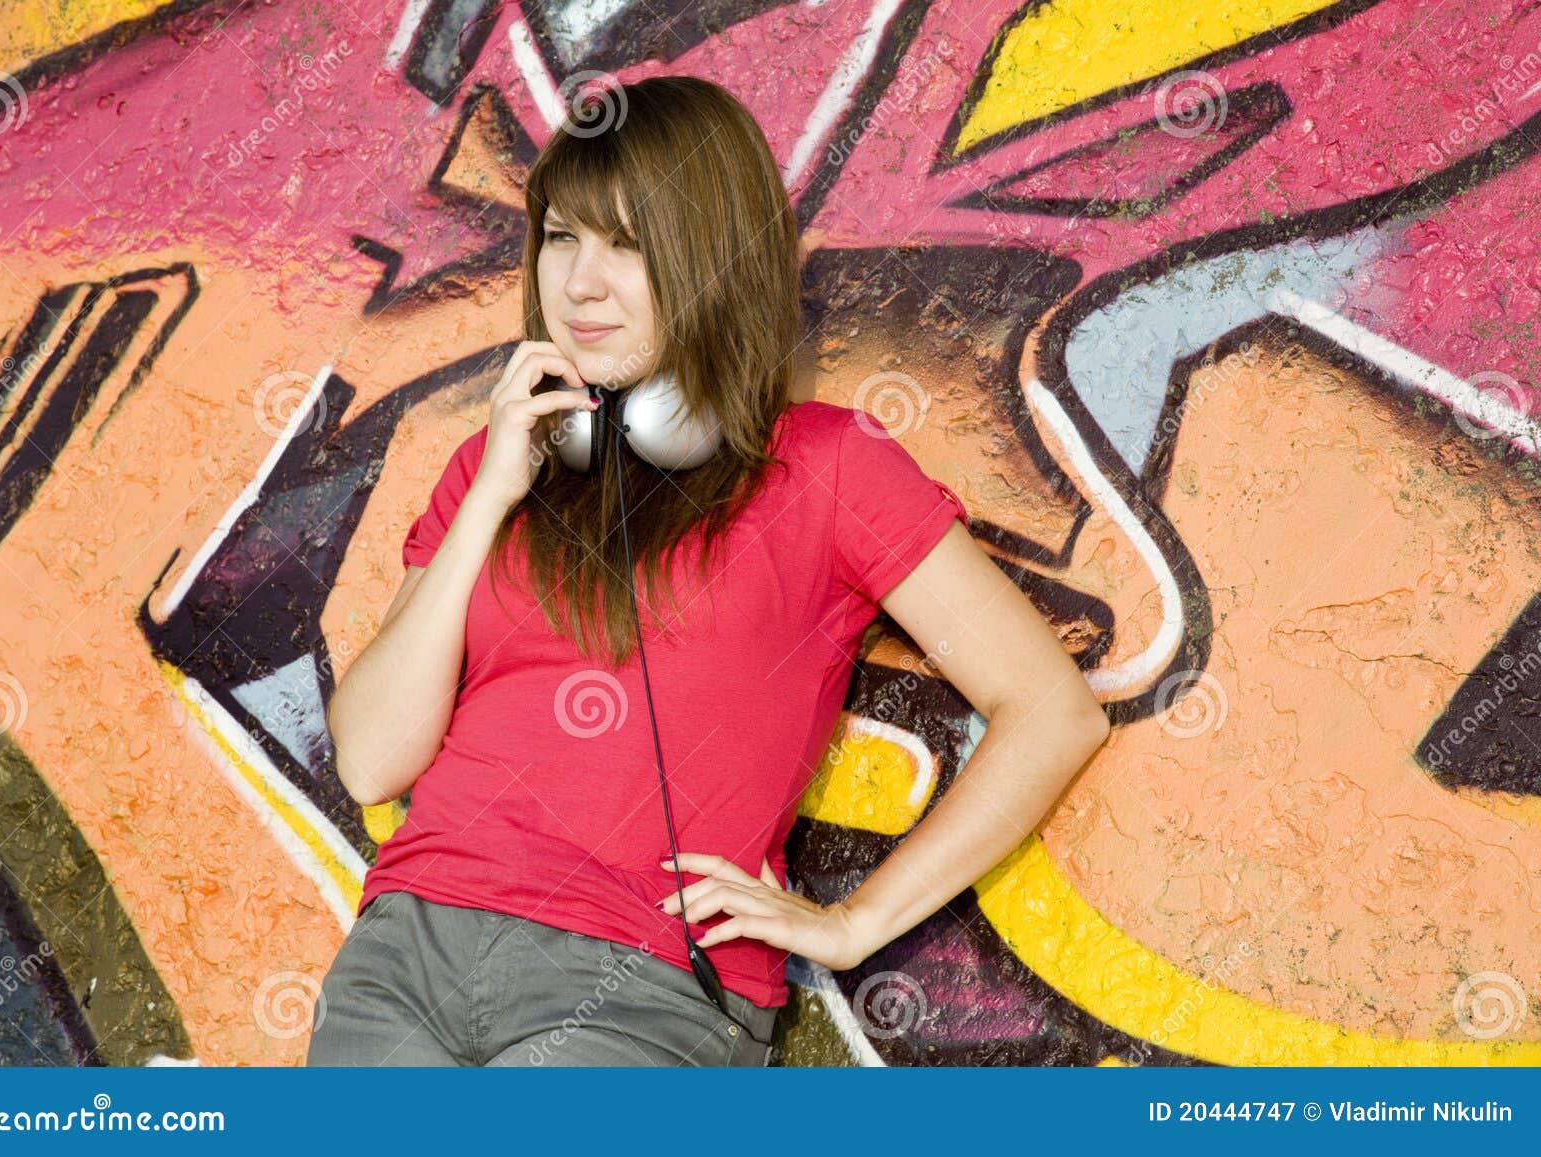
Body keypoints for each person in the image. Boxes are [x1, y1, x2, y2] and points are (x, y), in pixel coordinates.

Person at [306, 75, 1110, 1067]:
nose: (580, 284)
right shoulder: (495, 465)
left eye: (627, 245)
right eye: (561, 237)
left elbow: (1052, 709)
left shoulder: (828, 466)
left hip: (642, 989)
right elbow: (372, 758)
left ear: (712, 260)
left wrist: (854, 923)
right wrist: (490, 497)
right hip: (402, 955)